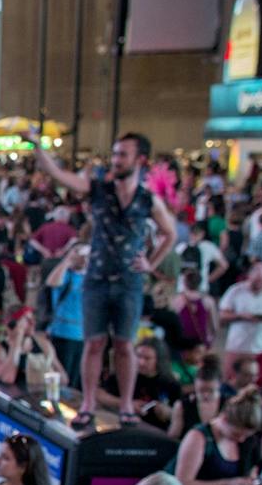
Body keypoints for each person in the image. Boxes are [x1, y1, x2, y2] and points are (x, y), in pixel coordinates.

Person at [35, 133, 178, 424]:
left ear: (140, 160)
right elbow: (58, 174)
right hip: (97, 279)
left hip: (128, 281)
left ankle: (126, 406)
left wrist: (150, 264)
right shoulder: (99, 188)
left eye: (123, 154)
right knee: (94, 343)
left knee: (125, 345)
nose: (116, 160)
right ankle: (87, 403)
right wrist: (37, 145)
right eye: (114, 154)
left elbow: (170, 233)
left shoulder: (148, 200)